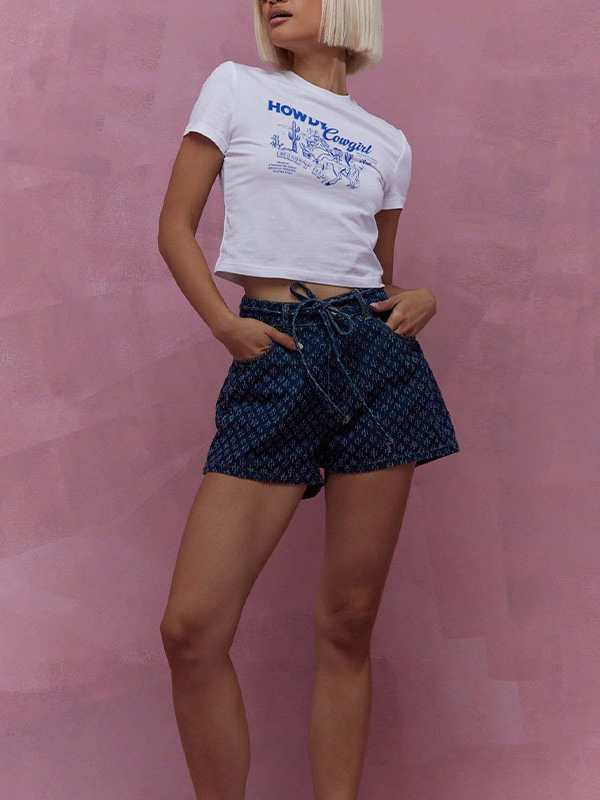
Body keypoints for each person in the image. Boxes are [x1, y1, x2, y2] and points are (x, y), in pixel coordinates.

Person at [157, 0, 460, 797]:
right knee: (191, 630)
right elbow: (174, 227)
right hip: (277, 351)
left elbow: (373, 272)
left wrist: (421, 297)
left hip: (377, 361)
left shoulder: (390, 142)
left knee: (349, 623)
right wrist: (225, 324)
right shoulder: (236, 87)